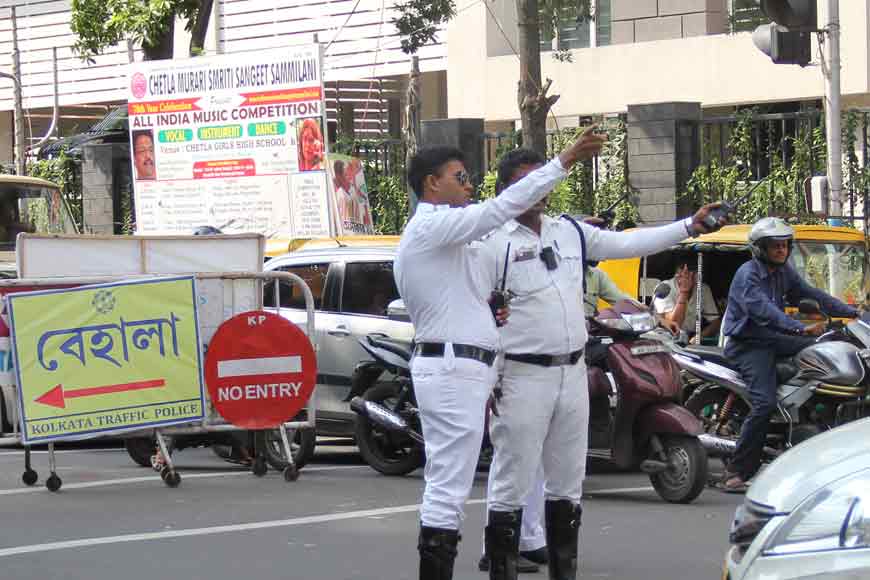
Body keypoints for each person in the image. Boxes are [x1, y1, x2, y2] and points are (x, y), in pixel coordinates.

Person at [477, 147, 726, 580]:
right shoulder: (489, 244)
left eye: (542, 181)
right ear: (504, 190)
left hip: (572, 372)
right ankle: (502, 565)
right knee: (512, 480)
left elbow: (629, 242)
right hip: (519, 374)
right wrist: (487, 377)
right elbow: (477, 314)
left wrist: (689, 225)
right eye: (526, 181)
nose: (538, 190)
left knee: (568, 483)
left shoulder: (568, 232)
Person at [394, 127, 607, 580]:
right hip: (452, 368)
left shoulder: (446, 240)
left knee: (450, 485)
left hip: (466, 366)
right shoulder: (433, 224)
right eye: (460, 176)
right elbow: (500, 208)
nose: (469, 184)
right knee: (448, 488)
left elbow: (465, 295)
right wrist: (564, 160)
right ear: (433, 184)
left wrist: (492, 311)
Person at [718, 217, 858, 493]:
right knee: (764, 402)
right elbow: (762, 311)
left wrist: (854, 313)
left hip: (778, 340)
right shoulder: (748, 274)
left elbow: (812, 294)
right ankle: (737, 471)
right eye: (775, 246)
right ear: (760, 249)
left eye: (785, 245)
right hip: (749, 345)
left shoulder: (785, 273)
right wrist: (799, 327)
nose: (782, 250)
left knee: (829, 349)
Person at [653, 257, 721, 343]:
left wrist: (699, 337)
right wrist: (684, 292)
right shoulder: (665, 287)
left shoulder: (704, 289)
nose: (687, 274)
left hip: (691, 337)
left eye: (693, 270)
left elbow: (715, 322)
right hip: (668, 338)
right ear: (677, 273)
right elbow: (674, 325)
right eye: (682, 269)